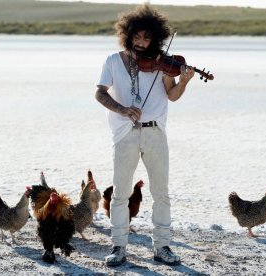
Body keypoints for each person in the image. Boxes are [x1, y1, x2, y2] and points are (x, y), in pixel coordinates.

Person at [95, 4, 194, 267]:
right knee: (120, 194)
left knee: (161, 193)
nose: (141, 43)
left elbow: (171, 96)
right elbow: (100, 93)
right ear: (128, 35)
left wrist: (183, 82)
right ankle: (118, 247)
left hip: (155, 133)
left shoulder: (163, 62)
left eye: (147, 38)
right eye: (137, 37)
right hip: (125, 133)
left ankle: (162, 247)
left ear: (155, 38)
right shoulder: (113, 61)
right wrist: (123, 109)